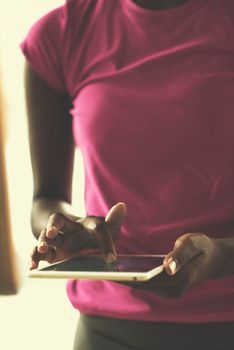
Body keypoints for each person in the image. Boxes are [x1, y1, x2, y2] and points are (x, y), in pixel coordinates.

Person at [21, 0, 234, 348]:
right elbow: (45, 199)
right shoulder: (60, 34)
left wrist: (224, 255)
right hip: (107, 332)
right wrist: (67, 230)